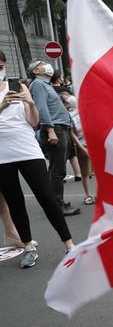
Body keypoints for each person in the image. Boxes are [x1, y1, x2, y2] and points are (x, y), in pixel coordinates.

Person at [0, 50, 76, 269]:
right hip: (3, 155)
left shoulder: (19, 86)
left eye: (2, 66)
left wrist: (30, 104)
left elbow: (34, 122)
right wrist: (3, 105)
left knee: (47, 197)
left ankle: (70, 245)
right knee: (15, 202)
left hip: (27, 150)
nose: (1, 71)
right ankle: (28, 246)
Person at [27, 60, 81, 216]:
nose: (46, 64)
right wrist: (50, 130)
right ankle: (57, 206)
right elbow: (41, 107)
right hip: (55, 129)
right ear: (36, 71)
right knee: (58, 170)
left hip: (60, 129)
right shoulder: (38, 84)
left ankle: (55, 204)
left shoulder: (46, 84)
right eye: (41, 63)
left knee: (56, 169)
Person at [62, 92, 94, 205]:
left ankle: (103, 195)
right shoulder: (69, 115)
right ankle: (88, 195)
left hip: (94, 143)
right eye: (66, 101)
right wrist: (81, 147)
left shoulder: (86, 109)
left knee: (100, 171)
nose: (68, 102)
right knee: (85, 172)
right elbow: (72, 133)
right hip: (82, 144)